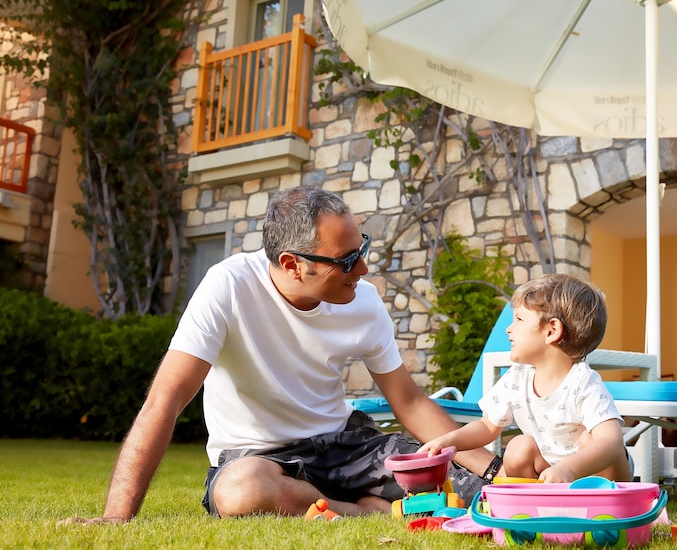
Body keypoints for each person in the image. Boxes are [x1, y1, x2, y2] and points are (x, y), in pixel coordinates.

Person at [61, 186, 496, 524]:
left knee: (468, 492)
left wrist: (491, 470)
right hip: (259, 459)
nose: (363, 270)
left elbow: (410, 402)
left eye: (362, 248)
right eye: (347, 260)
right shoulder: (228, 287)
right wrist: (116, 517)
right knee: (240, 492)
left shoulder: (362, 301)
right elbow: (165, 400)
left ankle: (344, 500)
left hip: (345, 446)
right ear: (292, 264)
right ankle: (362, 510)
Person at [420, 274, 630, 483]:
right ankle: (536, 499)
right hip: (553, 473)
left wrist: (569, 469)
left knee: (589, 440)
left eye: (519, 319)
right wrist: (450, 440)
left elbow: (611, 442)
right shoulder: (518, 376)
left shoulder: (583, 381)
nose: (509, 329)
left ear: (551, 330)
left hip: (602, 478)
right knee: (518, 448)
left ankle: (599, 499)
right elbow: (487, 426)